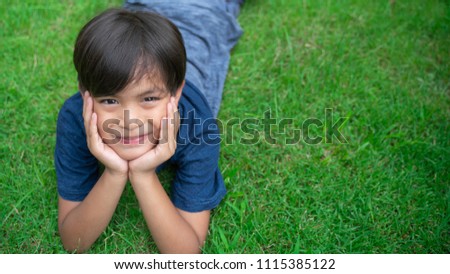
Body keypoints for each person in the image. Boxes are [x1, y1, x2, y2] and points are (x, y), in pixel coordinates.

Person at [55, 0, 243, 253]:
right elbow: (73, 242)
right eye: (110, 100)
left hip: (203, 13)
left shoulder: (197, 125)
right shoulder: (75, 117)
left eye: (149, 99)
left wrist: (143, 176)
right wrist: (114, 173)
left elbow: (186, 254)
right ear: (85, 94)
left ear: (176, 93)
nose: (129, 120)